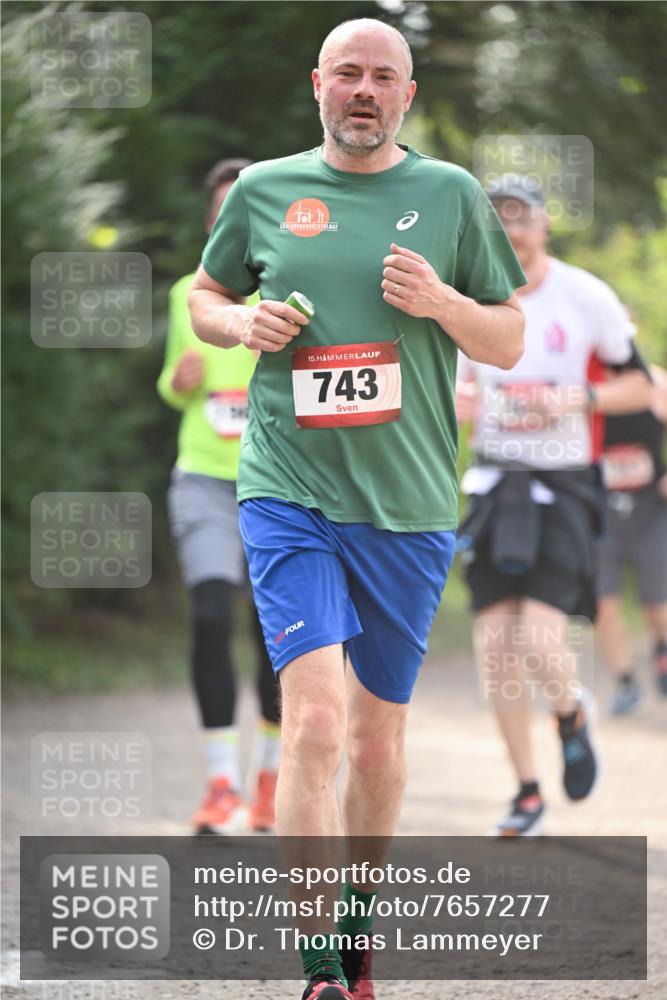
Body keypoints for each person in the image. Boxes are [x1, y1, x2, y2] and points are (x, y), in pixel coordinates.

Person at [188, 19, 525, 1000]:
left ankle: (357, 927)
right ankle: (318, 971)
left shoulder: (450, 195)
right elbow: (205, 296)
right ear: (318, 85)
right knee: (314, 724)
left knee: (376, 742)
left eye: (383, 76)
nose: (364, 90)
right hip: (288, 491)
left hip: (409, 505)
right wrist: (237, 321)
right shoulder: (264, 190)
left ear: (406, 95)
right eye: (348, 74)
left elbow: (506, 340)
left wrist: (442, 305)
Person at [456, 175, 652, 837]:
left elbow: (638, 385)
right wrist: (460, 405)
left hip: (564, 484)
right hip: (492, 484)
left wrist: (577, 399)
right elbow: (448, 389)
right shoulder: (465, 298)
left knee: (540, 637)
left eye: (522, 218)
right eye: (498, 219)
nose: (511, 231)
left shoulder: (584, 294)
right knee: (494, 649)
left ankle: (570, 712)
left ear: (543, 226)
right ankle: (526, 793)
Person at [157, 158, 281, 836]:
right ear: (212, 223)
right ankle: (219, 784)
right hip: (204, 477)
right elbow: (175, 388)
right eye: (221, 211)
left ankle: (270, 780)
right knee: (209, 616)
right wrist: (177, 381)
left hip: (277, 481)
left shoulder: (292, 293)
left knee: (273, 634)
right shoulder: (189, 293)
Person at [596, 362, 667, 714]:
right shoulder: (580, 382)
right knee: (602, 603)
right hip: (600, 512)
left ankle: (662, 649)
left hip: (650, 510)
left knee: (657, 602)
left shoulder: (653, 383)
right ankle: (624, 680)